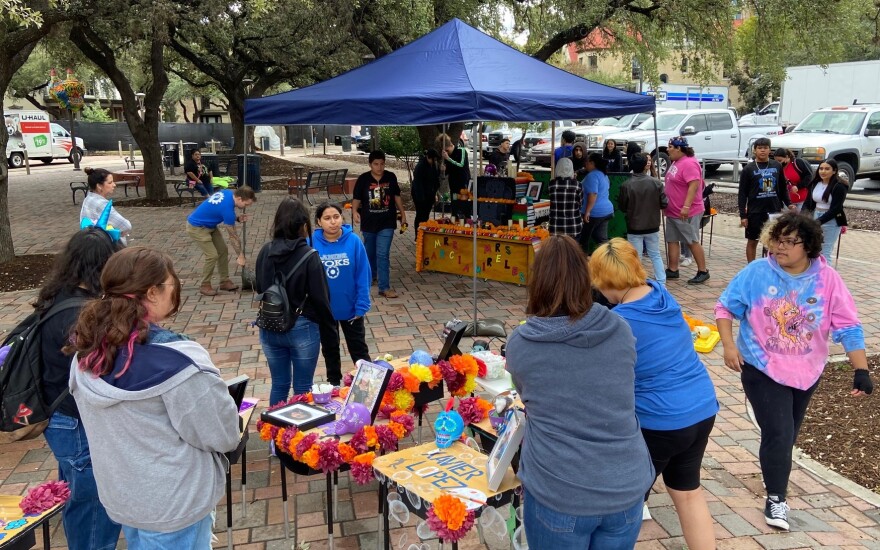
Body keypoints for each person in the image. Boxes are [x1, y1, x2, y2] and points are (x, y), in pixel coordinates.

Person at [68, 247, 241, 548]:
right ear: (152, 292)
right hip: (175, 503)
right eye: (173, 285)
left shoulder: (86, 355)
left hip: (125, 497)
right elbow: (221, 434)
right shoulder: (178, 363)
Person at [715, 212, 873, 531]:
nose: (780, 247)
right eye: (776, 239)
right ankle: (777, 498)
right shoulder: (757, 273)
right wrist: (729, 345)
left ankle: (774, 471)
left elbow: (849, 326)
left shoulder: (828, 281)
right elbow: (725, 307)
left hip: (807, 370)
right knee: (780, 432)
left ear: (810, 246)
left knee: (787, 434)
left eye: (790, 241)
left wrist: (861, 370)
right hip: (761, 366)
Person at [506, 235, 655, 549]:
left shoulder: (522, 344)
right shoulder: (620, 329)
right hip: (626, 486)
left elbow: (527, 394)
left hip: (559, 491)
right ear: (587, 279)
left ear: (537, 283)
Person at [590, 239, 718, 550]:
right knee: (687, 492)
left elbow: (601, 376)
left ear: (605, 282)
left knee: (624, 503)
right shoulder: (660, 294)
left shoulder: (621, 322)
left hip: (662, 421)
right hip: (701, 408)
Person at [37, 228, 121, 550]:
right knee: (94, 501)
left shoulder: (58, 296)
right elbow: (100, 372)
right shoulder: (79, 314)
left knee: (76, 492)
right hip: (74, 420)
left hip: (60, 415)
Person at [256, 198, 340, 403]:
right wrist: (331, 336)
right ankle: (298, 433)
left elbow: (260, 287)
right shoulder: (309, 256)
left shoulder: (265, 252)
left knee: (279, 384)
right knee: (303, 388)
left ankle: (275, 435)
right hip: (302, 328)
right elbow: (321, 300)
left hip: (270, 325)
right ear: (304, 226)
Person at [312, 202, 372, 381]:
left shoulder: (354, 241)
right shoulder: (310, 242)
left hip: (351, 309)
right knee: (330, 351)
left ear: (342, 218)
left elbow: (363, 275)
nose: (333, 222)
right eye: (327, 218)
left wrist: (361, 305)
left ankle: (368, 386)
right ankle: (334, 385)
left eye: (336, 217)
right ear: (318, 222)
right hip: (325, 311)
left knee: (359, 351)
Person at [351, 151, 407, 299]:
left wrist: (403, 214)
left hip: (387, 222)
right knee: (370, 253)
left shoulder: (390, 177)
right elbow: (356, 198)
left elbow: (396, 196)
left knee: (382, 254)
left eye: (382, 163)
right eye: (376, 164)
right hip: (368, 222)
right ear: (370, 164)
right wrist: (354, 211)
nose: (379, 167)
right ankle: (372, 275)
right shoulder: (363, 179)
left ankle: (384, 287)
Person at [185, 186, 256, 296]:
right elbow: (233, 237)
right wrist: (240, 256)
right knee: (212, 255)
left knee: (223, 250)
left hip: (210, 225)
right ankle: (205, 285)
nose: (246, 207)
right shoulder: (228, 210)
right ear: (239, 198)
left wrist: (236, 218)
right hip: (197, 227)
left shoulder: (228, 193)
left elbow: (217, 209)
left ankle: (224, 281)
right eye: (246, 204)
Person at [663, 136, 710, 284]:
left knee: (691, 240)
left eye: (670, 147)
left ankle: (703, 271)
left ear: (679, 148)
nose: (667, 149)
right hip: (672, 211)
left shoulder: (689, 163)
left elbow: (694, 185)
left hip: (686, 211)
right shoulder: (676, 162)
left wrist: (686, 206)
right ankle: (672, 269)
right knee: (671, 239)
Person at [739, 138, 793, 263]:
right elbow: (742, 194)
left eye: (765, 148)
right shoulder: (748, 169)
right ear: (755, 150)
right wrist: (743, 215)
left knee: (773, 240)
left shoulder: (777, 165)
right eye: (759, 148)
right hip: (755, 211)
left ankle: (771, 264)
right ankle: (751, 267)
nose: (762, 150)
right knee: (753, 240)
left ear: (770, 150)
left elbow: (782, 188)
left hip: (774, 210)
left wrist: (789, 203)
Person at [618, 153, 668, 286]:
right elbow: (664, 203)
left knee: (636, 256)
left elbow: (622, 206)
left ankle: (637, 282)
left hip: (634, 226)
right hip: (652, 224)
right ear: (645, 166)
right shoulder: (656, 183)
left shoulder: (626, 185)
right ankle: (661, 282)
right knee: (655, 254)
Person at [801, 159, 848, 261]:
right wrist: (802, 217)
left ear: (834, 171)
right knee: (813, 249)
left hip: (831, 220)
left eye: (827, 169)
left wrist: (819, 221)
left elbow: (836, 209)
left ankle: (826, 276)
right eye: (821, 168)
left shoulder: (839, 186)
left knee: (825, 251)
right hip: (816, 215)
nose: (823, 171)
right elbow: (807, 203)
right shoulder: (815, 183)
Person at [80, 167, 132, 244]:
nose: (114, 185)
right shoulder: (101, 203)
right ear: (99, 186)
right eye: (110, 183)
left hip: (90, 243)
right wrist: (118, 233)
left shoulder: (88, 199)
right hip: (105, 247)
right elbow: (126, 226)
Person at [579, 152, 614, 254]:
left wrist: (587, 212)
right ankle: (610, 260)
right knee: (601, 239)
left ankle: (583, 263)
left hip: (595, 212)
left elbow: (593, 194)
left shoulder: (592, 176)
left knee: (583, 240)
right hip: (606, 211)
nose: (585, 164)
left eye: (587, 161)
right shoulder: (603, 174)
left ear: (592, 163)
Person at [548, 158, 583, 238]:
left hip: (555, 228)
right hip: (573, 227)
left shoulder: (552, 185)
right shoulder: (578, 185)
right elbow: (580, 204)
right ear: (572, 169)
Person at [411, 149, 441, 236]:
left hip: (429, 193)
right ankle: (418, 235)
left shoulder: (433, 166)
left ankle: (423, 232)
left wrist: (435, 192)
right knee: (420, 214)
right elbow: (418, 183)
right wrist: (421, 198)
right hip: (419, 194)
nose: (433, 161)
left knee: (426, 214)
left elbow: (436, 179)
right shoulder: (420, 166)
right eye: (432, 159)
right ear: (428, 157)